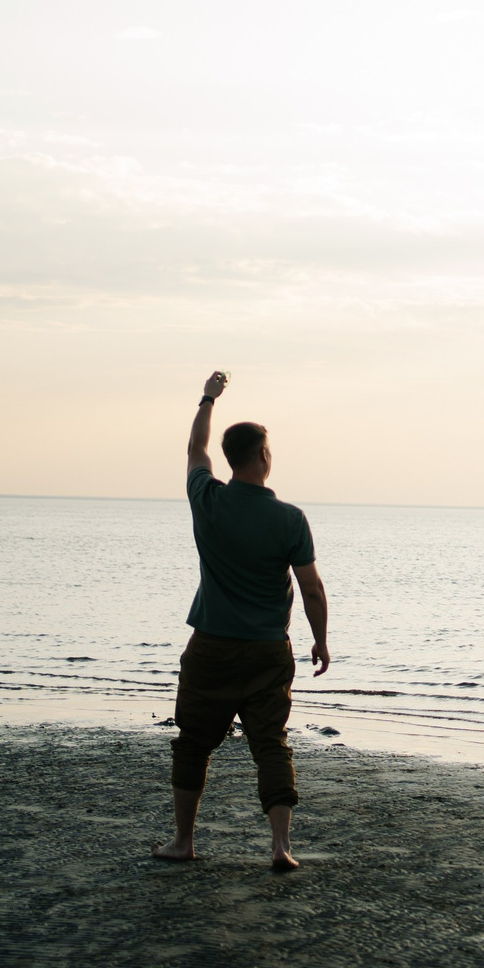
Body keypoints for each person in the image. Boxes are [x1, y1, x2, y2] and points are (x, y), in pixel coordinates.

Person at [151, 370, 330, 872]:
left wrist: (208, 399)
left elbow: (195, 448)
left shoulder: (206, 498)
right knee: (270, 744)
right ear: (265, 457)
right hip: (268, 650)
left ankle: (183, 842)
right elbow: (312, 587)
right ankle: (279, 847)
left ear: (231, 460)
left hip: (211, 646)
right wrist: (320, 641)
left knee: (193, 743)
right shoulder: (290, 518)